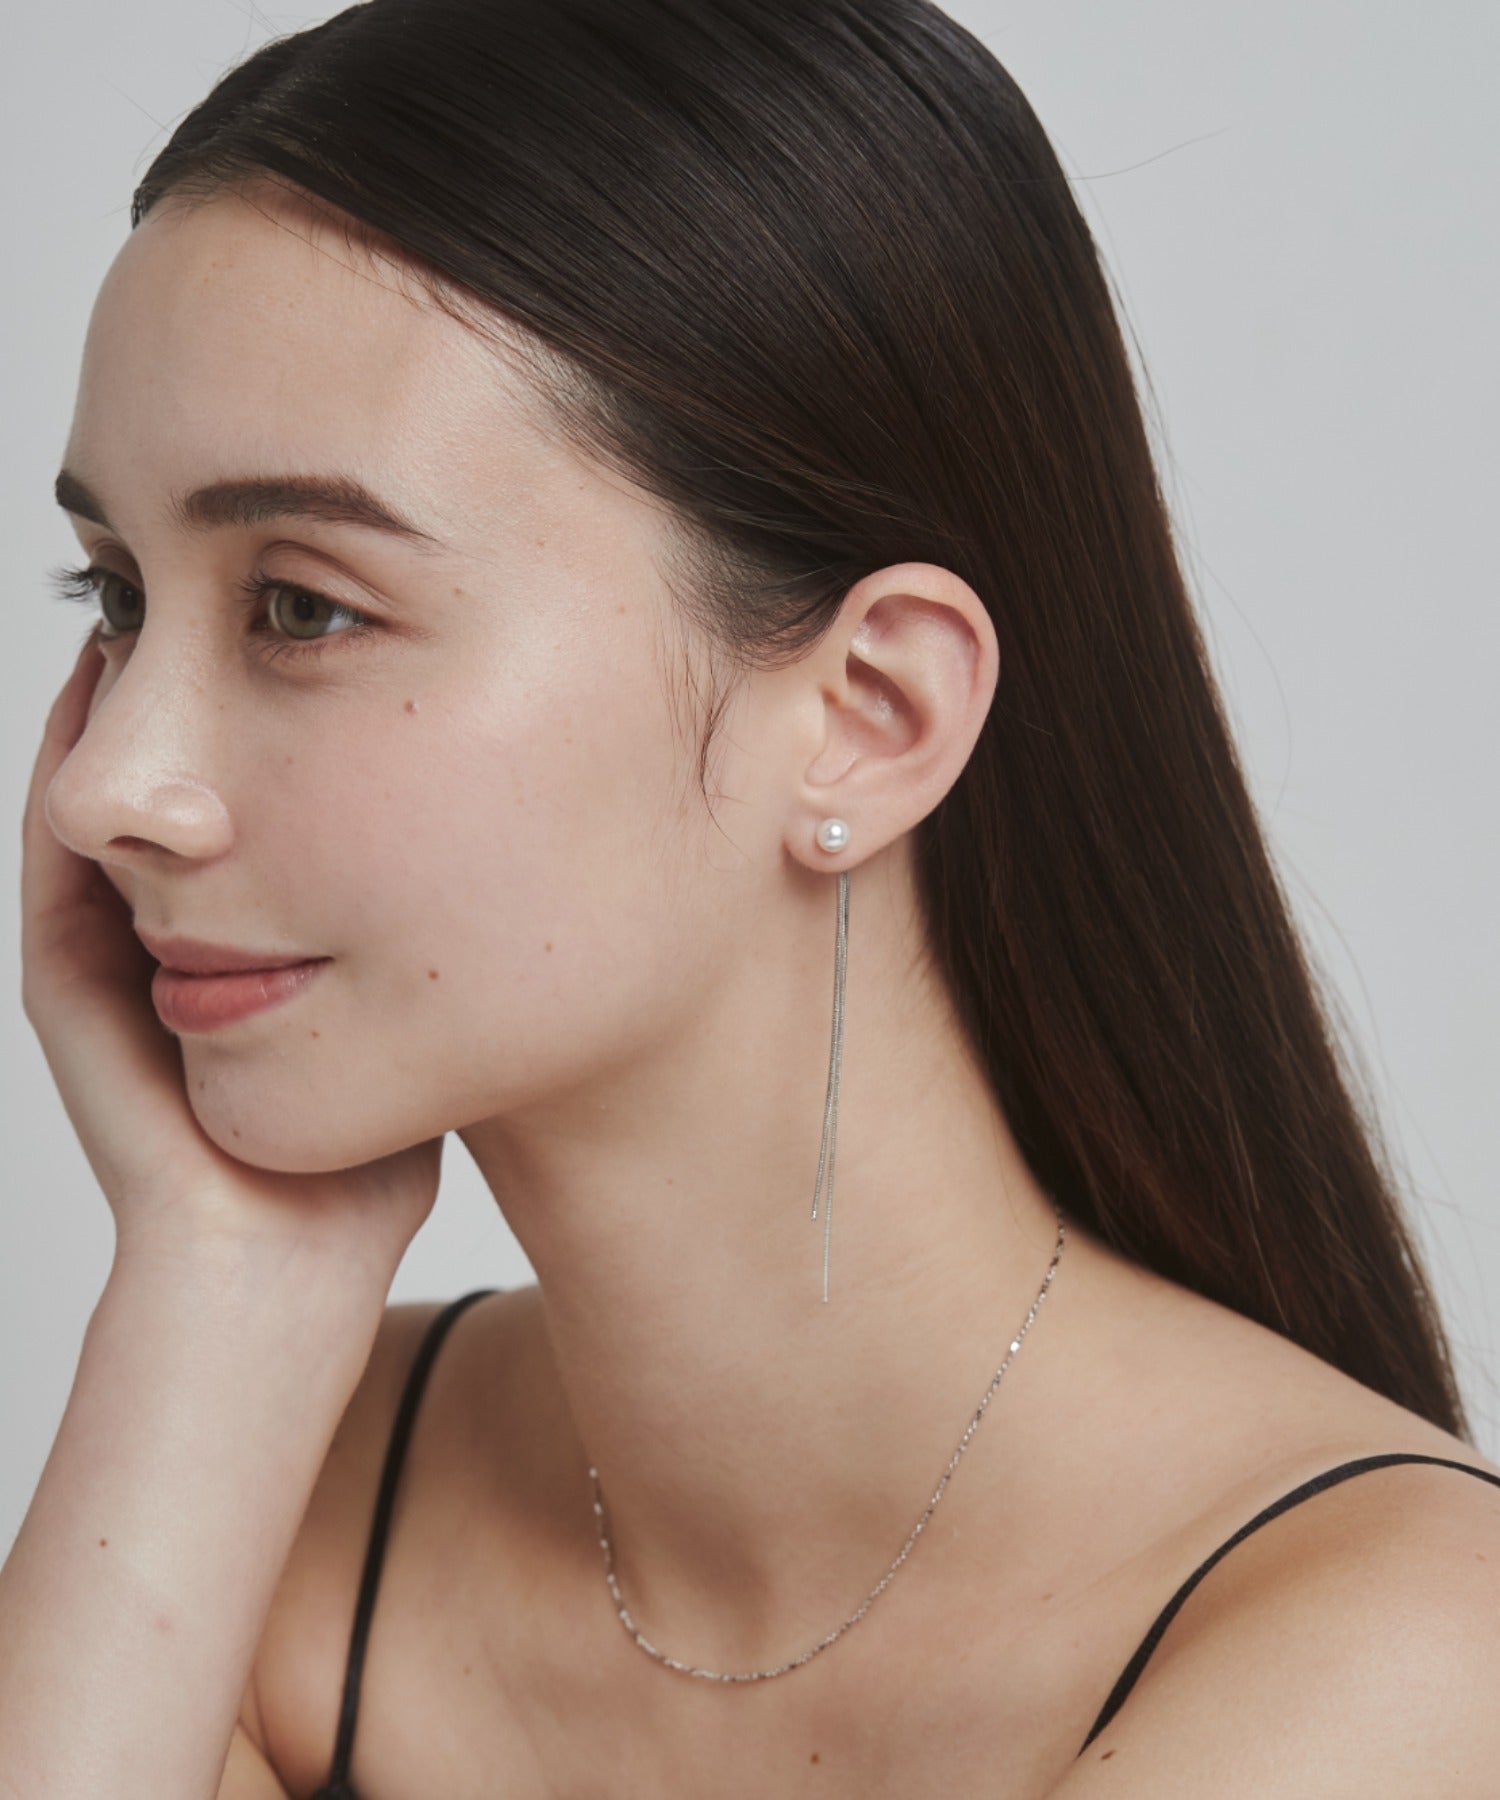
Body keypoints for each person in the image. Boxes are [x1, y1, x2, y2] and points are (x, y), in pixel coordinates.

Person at [5, 0, 1498, 1794]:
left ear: (870, 714)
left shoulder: (1393, 1662)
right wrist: (218, 1286)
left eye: (304, 607)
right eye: (117, 596)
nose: (102, 787)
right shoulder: (250, 1507)